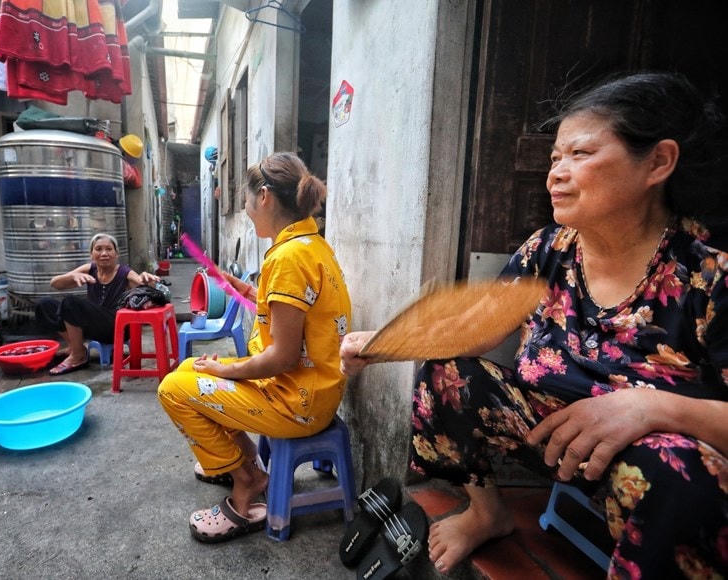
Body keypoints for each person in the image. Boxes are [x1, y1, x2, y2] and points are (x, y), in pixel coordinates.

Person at [340, 72, 728, 577]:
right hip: (550, 431)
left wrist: (651, 407)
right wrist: (383, 343)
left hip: (647, 465)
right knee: (448, 373)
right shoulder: (550, 249)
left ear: (658, 162)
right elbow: (476, 331)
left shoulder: (708, 275)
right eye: (554, 158)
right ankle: (487, 513)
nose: (556, 174)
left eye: (580, 155)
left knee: (682, 476)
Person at [157, 152, 352, 543]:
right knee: (186, 371)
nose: (245, 210)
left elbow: (281, 356)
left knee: (172, 390)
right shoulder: (310, 244)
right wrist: (242, 288)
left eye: (245, 201)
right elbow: (287, 316)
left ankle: (246, 482)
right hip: (311, 389)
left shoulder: (288, 259)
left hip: (296, 401)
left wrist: (225, 370)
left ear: (264, 197)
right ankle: (241, 462)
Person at [35, 232, 160, 375]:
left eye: (109, 249)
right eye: (99, 249)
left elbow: (145, 288)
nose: (104, 253)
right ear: (91, 254)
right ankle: (75, 347)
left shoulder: (125, 272)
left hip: (115, 327)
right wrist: (71, 276)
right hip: (93, 325)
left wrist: (147, 282)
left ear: (116, 254)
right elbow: (55, 284)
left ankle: (78, 356)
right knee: (44, 305)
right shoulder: (90, 268)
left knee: (70, 302)